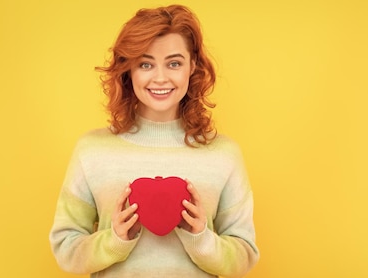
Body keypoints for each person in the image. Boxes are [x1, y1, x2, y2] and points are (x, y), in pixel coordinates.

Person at [49, 5, 259, 277]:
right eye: (146, 64)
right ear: (129, 70)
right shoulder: (91, 150)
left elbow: (245, 256)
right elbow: (65, 249)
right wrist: (114, 241)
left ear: (192, 66)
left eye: (174, 63)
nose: (160, 78)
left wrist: (201, 238)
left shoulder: (224, 154)